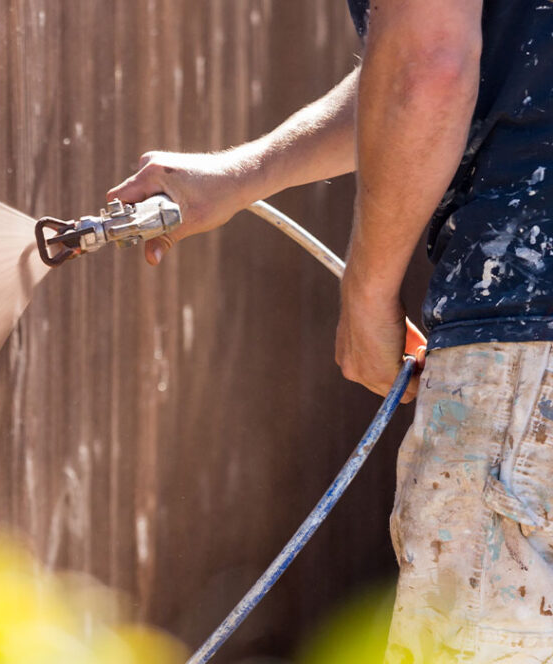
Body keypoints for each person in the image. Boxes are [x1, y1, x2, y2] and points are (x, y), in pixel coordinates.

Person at [110, 1, 553, 661]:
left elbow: (428, 63)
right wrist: (241, 175)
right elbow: (438, 61)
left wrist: (370, 291)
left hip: (524, 320)